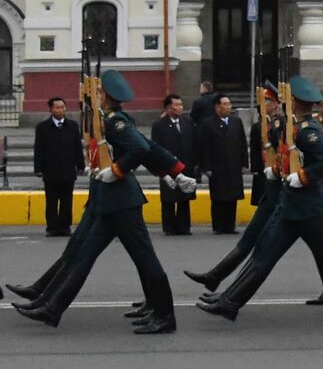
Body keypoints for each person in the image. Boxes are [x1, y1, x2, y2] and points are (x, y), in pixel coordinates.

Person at [196, 76, 323, 331]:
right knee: (264, 255)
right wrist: (280, 171)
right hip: (292, 208)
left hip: (312, 210)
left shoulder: (307, 131)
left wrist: (304, 176)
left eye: (287, 98)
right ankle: (230, 302)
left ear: (294, 102)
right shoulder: (293, 127)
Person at [14, 70, 181, 334]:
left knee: (145, 260)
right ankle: (51, 306)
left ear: (105, 96)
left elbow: (141, 148)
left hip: (122, 202)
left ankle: (165, 316)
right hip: (109, 201)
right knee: (83, 255)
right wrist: (172, 170)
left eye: (98, 93)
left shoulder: (116, 122)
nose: (95, 97)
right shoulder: (105, 119)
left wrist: (117, 171)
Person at [33, 97, 84, 237]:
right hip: (50, 170)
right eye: (57, 107)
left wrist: (80, 165)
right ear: (50, 109)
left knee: (67, 200)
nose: (60, 110)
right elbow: (38, 149)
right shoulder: (42, 127)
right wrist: (38, 168)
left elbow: (77, 147)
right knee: (51, 201)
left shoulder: (72, 126)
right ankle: (52, 227)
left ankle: (65, 226)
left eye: (62, 107)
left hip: (68, 169)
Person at [198, 94, 248, 234]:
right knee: (219, 197)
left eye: (229, 104)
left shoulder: (236, 121)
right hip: (217, 166)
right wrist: (206, 167)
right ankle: (218, 226)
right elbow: (205, 147)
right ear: (217, 107)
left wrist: (244, 163)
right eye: (225, 104)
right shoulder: (208, 124)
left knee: (232, 197)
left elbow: (242, 143)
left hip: (233, 164)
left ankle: (230, 225)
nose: (228, 106)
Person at [150, 94, 197, 236]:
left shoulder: (188, 122)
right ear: (168, 108)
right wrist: (160, 170)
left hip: (185, 165)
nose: (180, 108)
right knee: (169, 198)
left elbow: (193, 143)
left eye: (181, 105)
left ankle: (184, 226)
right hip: (167, 167)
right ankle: (169, 227)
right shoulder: (159, 125)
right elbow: (155, 147)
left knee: (184, 197)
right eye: (176, 105)